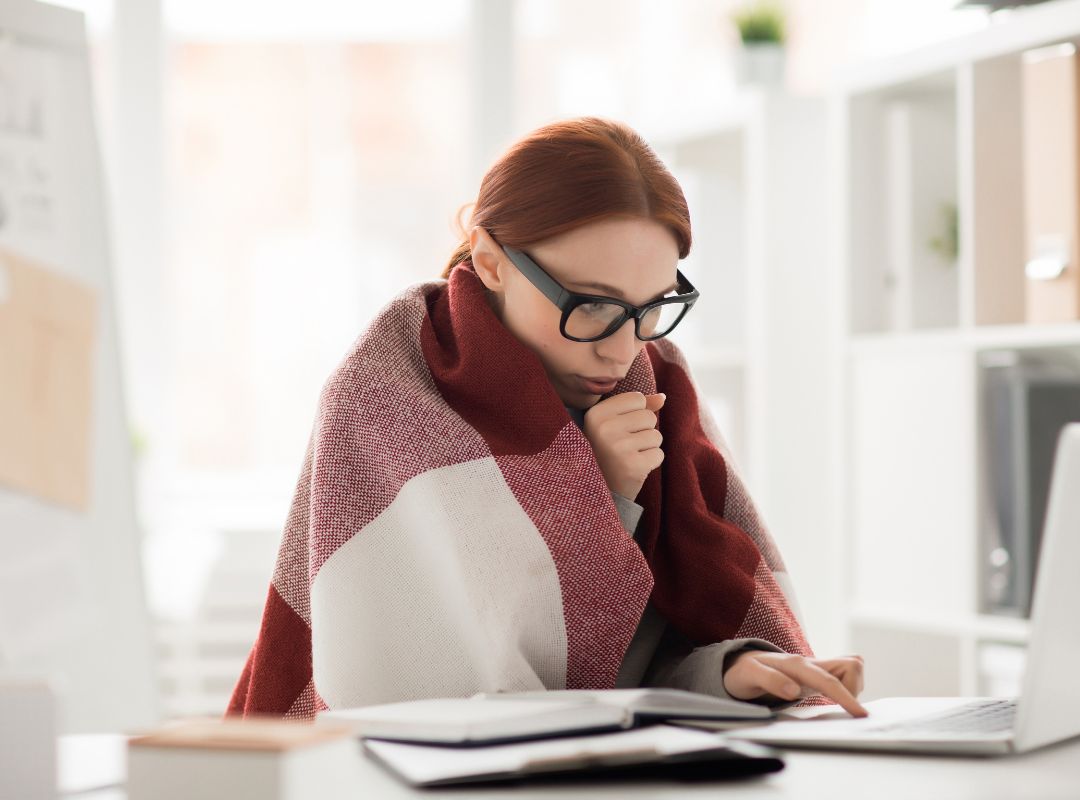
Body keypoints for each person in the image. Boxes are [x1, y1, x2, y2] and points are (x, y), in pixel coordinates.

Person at [225, 116, 866, 721]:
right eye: (591, 305)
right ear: (492, 259)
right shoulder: (386, 394)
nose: (621, 348)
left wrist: (736, 670)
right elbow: (476, 687)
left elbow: (627, 677)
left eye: (651, 308)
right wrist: (603, 489)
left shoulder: (659, 382)